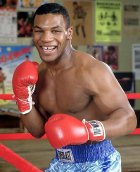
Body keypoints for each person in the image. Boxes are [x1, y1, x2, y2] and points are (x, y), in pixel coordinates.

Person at [12, 3, 137, 172]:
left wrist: (87, 131)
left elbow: (129, 118)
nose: (46, 38)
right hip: (61, 162)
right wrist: (23, 98)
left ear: (69, 33)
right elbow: (37, 130)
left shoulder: (92, 70)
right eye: (39, 30)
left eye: (55, 30)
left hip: (100, 163)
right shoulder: (37, 75)